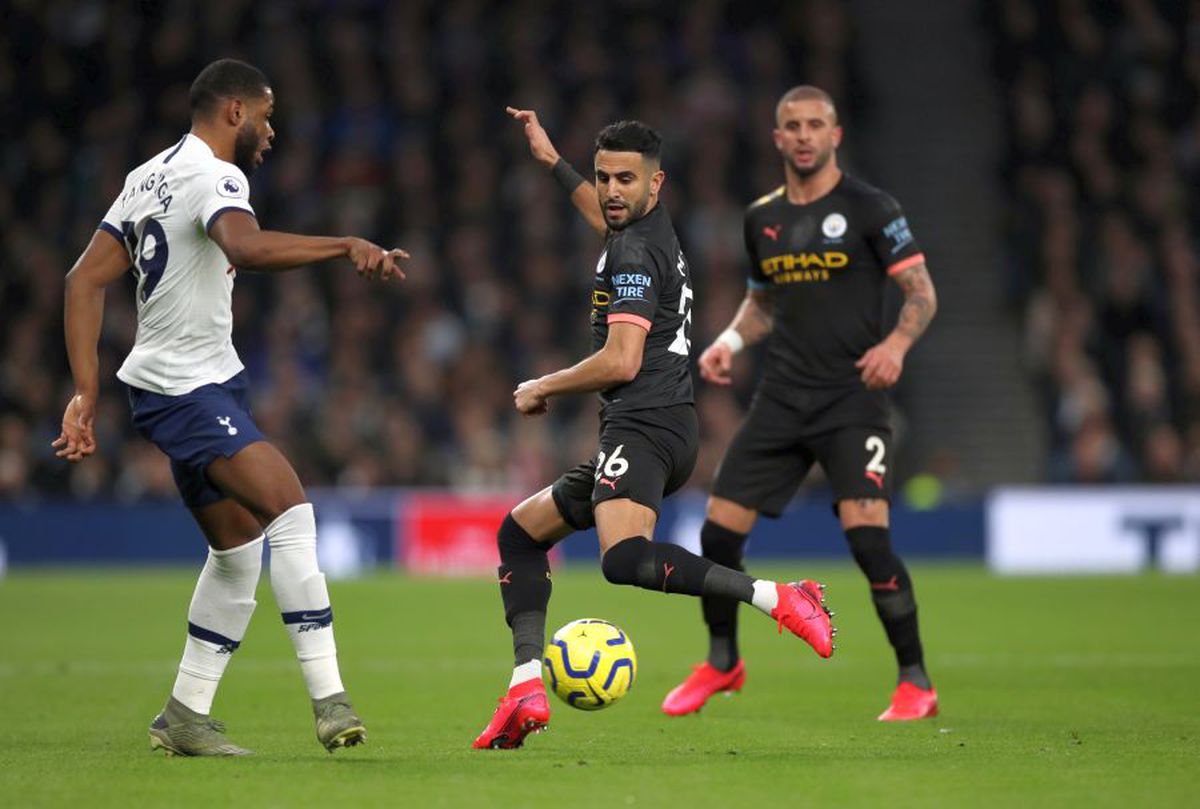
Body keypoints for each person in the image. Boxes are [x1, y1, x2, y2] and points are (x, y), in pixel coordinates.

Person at [53, 58, 407, 756]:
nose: (272, 131)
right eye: (268, 116)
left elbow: (81, 279)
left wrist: (86, 391)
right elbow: (244, 244)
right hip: (184, 389)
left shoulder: (147, 176)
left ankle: (184, 713)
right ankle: (331, 702)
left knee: (240, 550)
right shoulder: (218, 175)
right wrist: (345, 244)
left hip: (191, 381)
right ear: (235, 112)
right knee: (293, 508)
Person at [470, 109, 835, 751]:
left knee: (623, 560)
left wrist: (543, 385)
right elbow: (596, 214)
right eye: (603, 177)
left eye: (625, 181)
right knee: (521, 534)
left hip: (646, 425)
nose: (611, 191)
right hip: (655, 425)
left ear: (655, 184)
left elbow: (622, 360)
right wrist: (553, 161)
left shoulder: (635, 249)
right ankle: (527, 683)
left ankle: (779, 595)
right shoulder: (643, 229)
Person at [660, 85, 940, 722]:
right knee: (716, 533)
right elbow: (763, 303)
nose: (806, 134)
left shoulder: (872, 209)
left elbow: (921, 292)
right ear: (778, 138)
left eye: (817, 124)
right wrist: (728, 340)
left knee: (869, 543)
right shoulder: (762, 219)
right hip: (782, 397)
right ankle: (723, 662)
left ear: (836, 135)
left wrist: (896, 343)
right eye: (794, 125)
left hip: (853, 399)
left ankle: (915, 682)